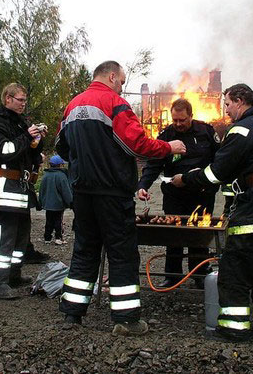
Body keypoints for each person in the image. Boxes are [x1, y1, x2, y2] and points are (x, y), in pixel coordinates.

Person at [56, 60, 186, 336]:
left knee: (85, 250)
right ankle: (126, 320)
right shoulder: (115, 104)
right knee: (122, 253)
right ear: (112, 76)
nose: (122, 87)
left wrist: (85, 165)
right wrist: (168, 147)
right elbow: (136, 143)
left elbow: (62, 147)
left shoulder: (73, 105)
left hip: (82, 191)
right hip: (113, 192)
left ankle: (72, 314)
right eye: (122, 82)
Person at [172, 83, 253, 342]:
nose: (225, 110)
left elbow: (217, 172)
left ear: (239, 101)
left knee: (235, 268)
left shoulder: (242, 129)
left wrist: (186, 179)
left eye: (227, 104)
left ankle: (234, 329)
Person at [137, 98, 219, 289]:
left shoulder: (206, 132)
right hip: (175, 196)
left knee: (199, 234)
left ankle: (199, 273)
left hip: (202, 194)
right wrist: (143, 185)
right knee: (174, 235)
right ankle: (172, 275)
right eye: (175, 120)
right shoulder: (166, 134)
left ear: (191, 116)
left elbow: (219, 161)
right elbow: (154, 164)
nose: (178, 124)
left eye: (182, 120)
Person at [0, 83, 46, 300]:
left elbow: (25, 152)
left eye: (24, 100)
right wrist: (27, 137)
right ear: (8, 99)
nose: (23, 103)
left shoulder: (20, 123)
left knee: (21, 235)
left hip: (20, 188)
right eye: (20, 99)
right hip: (4, 188)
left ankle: (14, 274)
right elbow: (3, 151)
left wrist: (37, 142)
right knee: (3, 235)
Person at [39, 155, 73, 245]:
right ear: (60, 165)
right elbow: (66, 191)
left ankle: (47, 238)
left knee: (48, 221)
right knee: (58, 221)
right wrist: (71, 203)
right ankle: (58, 238)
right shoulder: (62, 176)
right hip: (58, 204)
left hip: (47, 204)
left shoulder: (45, 176)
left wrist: (41, 202)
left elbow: (41, 190)